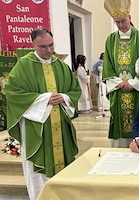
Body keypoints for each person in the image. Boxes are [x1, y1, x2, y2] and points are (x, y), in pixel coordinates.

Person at [5, 27, 81, 200]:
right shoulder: (24, 65)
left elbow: (74, 90)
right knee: (38, 169)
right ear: (33, 45)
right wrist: (45, 98)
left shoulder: (61, 66)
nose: (49, 51)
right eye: (43, 47)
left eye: (51, 45)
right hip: (36, 126)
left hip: (59, 126)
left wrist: (63, 97)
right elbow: (13, 93)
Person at [103, 0, 139, 148]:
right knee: (119, 125)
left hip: (137, 92)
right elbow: (108, 66)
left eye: (123, 21)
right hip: (118, 91)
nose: (120, 25)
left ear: (130, 18)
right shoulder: (110, 40)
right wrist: (119, 83)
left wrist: (133, 83)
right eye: (116, 22)